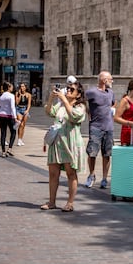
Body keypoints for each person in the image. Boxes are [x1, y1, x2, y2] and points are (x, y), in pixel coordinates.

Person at [40, 80, 87, 212]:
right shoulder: (60, 104)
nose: (68, 91)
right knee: (53, 173)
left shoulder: (80, 106)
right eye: (68, 88)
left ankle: (70, 203)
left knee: (71, 173)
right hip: (57, 142)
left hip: (70, 143)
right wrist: (51, 98)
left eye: (72, 89)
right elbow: (49, 112)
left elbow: (74, 117)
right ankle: (51, 202)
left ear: (78, 95)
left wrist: (64, 100)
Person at [84, 71, 115, 189]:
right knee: (92, 153)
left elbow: (113, 103)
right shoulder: (92, 92)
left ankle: (104, 179)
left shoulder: (111, 92)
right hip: (95, 127)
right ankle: (91, 175)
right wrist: (88, 112)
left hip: (109, 128)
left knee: (107, 154)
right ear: (104, 80)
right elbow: (82, 100)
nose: (112, 81)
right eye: (110, 79)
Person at [0, 82, 20, 157]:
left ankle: (3, 151)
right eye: (11, 87)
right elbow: (13, 107)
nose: (12, 88)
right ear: (9, 87)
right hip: (9, 116)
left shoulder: (0, 95)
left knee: (3, 133)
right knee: (13, 132)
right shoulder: (11, 96)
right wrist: (15, 117)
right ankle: (9, 149)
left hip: (0, 115)